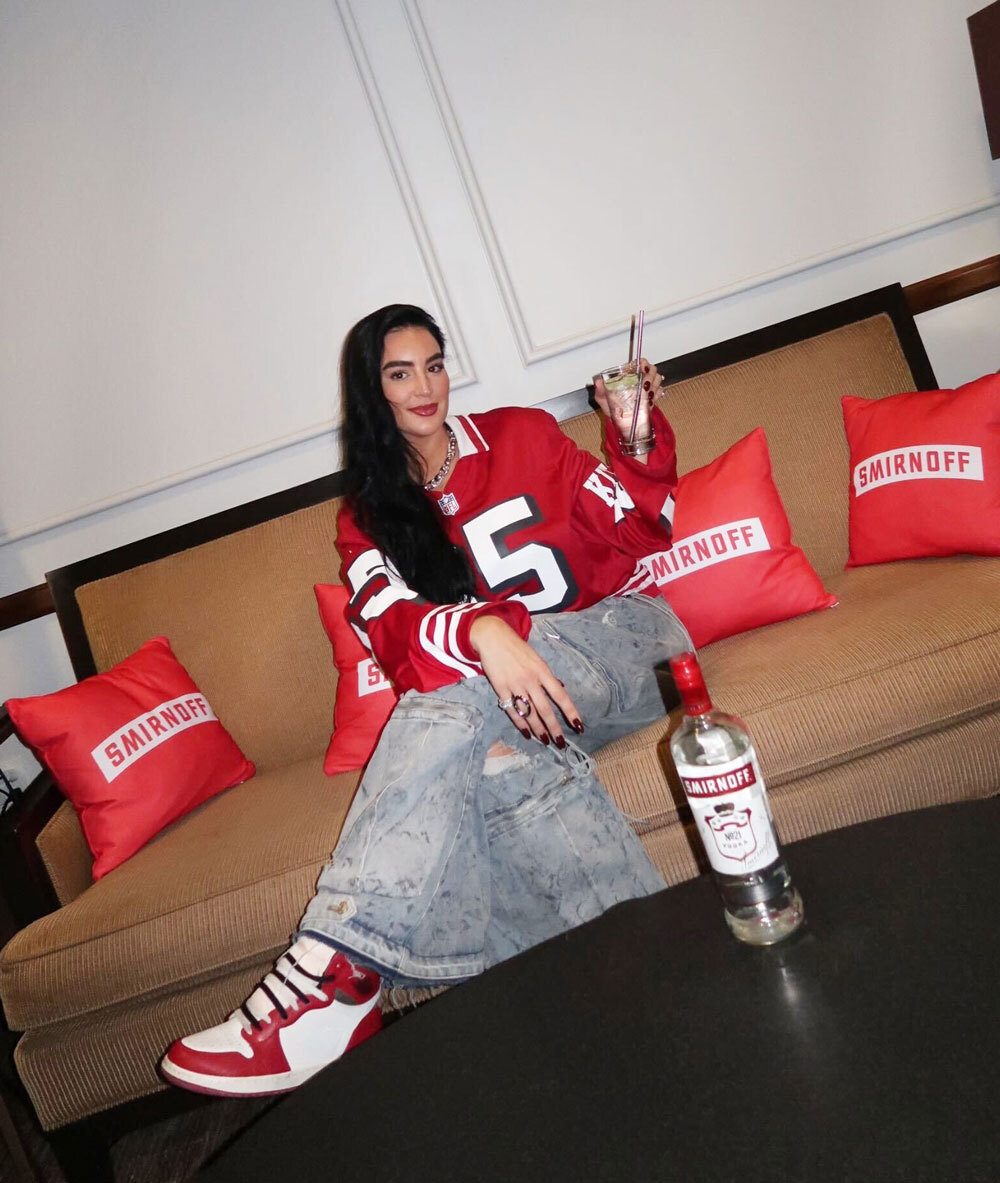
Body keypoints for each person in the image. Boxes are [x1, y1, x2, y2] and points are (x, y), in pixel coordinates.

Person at [160, 304, 691, 1097]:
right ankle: (658, 994)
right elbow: (393, 633)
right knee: (498, 766)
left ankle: (336, 967)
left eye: (434, 364)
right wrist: (483, 635)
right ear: (371, 392)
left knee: (455, 701)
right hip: (526, 714)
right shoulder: (368, 518)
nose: (425, 385)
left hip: (630, 646)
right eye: (400, 371)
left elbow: (647, 527)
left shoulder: (520, 434)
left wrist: (633, 431)